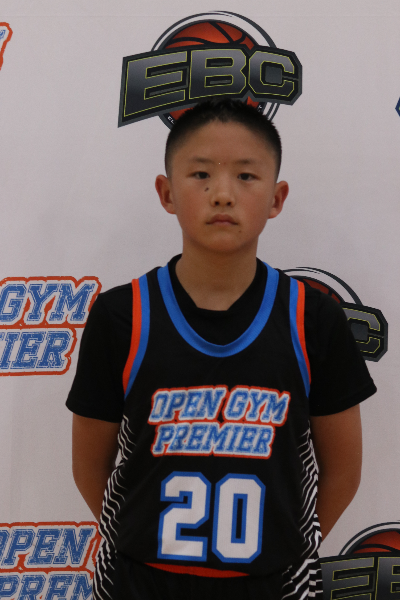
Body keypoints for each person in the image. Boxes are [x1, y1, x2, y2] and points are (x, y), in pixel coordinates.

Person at [67, 99, 376, 600]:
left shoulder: (313, 319)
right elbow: (89, 467)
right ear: (167, 193)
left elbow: (343, 471)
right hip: (138, 581)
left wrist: (292, 546)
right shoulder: (121, 316)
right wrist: (133, 537)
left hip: (274, 584)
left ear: (276, 198)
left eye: (246, 176)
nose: (223, 194)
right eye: (201, 175)